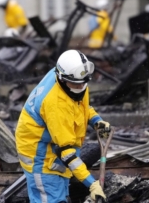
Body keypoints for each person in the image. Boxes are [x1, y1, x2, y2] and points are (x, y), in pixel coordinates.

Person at [15, 50, 111, 203]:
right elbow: (66, 153)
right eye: (75, 84)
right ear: (61, 78)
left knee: (61, 195)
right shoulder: (55, 104)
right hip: (40, 157)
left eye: (83, 83)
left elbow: (80, 107)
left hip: (54, 146)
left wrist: (96, 121)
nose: (80, 88)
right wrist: (91, 184)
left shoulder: (74, 78)